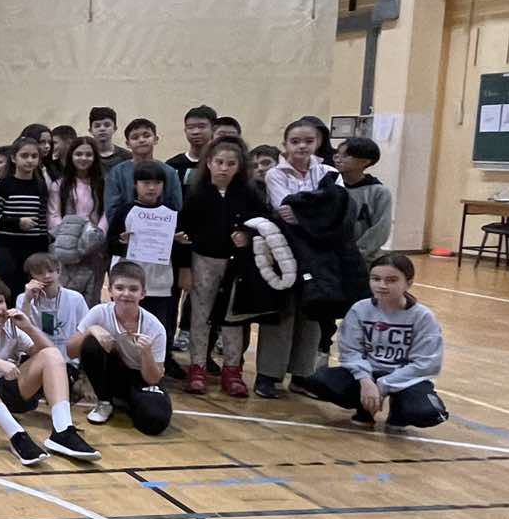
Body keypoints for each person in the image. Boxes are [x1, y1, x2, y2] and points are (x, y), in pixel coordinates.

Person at [0, 275, 98, 464]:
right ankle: (16, 434)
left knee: (51, 355)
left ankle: (63, 431)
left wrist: (29, 328)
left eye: (1, 301)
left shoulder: (10, 326)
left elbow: (53, 355)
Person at [292, 253, 448, 429]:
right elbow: (350, 352)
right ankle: (364, 408)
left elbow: (426, 364)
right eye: (376, 279)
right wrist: (365, 380)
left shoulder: (423, 317)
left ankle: (400, 412)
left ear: (409, 283)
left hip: (405, 378)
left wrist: (382, 385)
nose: (382, 285)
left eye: (391, 280)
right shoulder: (359, 310)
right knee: (317, 381)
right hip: (368, 374)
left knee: (429, 413)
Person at [255, 115, 338, 399]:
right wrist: (317, 210)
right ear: (285, 144)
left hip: (320, 251)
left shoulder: (330, 173)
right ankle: (268, 375)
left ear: (319, 142)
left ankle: (302, 375)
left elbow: (335, 209)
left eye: (308, 141)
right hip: (285, 250)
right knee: (282, 312)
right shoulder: (275, 174)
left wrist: (310, 211)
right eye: (295, 141)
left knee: (312, 312)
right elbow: (285, 210)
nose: (302, 146)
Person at [176, 137, 263, 396]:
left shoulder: (248, 193)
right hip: (203, 260)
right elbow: (183, 233)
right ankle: (197, 367)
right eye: (219, 162)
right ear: (209, 163)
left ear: (239, 166)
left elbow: (264, 222)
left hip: (236, 265)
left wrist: (248, 235)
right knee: (200, 315)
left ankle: (232, 370)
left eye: (230, 163)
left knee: (233, 317)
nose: (224, 168)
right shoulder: (196, 193)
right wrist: (185, 268)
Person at [68, 261, 173, 435]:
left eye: (133, 289)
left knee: (155, 420)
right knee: (91, 343)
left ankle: (127, 401)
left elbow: (153, 379)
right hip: (112, 372)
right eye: (119, 288)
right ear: (110, 290)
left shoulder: (154, 327)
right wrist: (91, 330)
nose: (126, 294)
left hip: (141, 377)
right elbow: (70, 351)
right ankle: (105, 401)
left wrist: (146, 353)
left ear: (143, 293)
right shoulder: (99, 312)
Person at [105, 161, 185, 348]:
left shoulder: (170, 213)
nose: (151, 187)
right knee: (125, 325)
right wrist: (121, 243)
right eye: (146, 183)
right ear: (135, 184)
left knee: (157, 326)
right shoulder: (125, 211)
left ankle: (160, 359)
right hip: (129, 282)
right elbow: (110, 244)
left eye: (157, 183)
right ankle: (123, 358)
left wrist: (177, 241)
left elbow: (178, 247)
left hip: (159, 281)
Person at [47, 136, 108, 301]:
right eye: (78, 154)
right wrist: (68, 239)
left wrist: (95, 237)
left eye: (88, 154)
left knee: (91, 295)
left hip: (94, 249)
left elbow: (106, 213)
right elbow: (53, 214)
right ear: (71, 156)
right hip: (65, 248)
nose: (83, 158)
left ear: (95, 157)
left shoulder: (103, 184)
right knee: (65, 296)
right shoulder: (59, 185)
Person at [0, 134, 50, 286]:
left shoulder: (41, 186)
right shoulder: (1, 186)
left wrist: (44, 250)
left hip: (34, 249)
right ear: (14, 158)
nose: (29, 160)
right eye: (24, 156)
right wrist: (17, 222)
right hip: (7, 250)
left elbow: (42, 222)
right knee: (8, 290)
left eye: (34, 156)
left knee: (35, 290)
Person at [16, 252, 90, 367]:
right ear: (31, 277)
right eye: (39, 273)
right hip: (37, 360)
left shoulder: (76, 298)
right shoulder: (23, 298)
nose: (47, 276)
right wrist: (27, 300)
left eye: (50, 271)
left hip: (68, 362)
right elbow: (22, 331)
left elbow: (85, 331)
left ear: (58, 272)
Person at [103, 118, 183, 211]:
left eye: (146, 136)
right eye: (135, 137)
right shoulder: (117, 173)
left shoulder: (169, 172)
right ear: (127, 143)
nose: (141, 140)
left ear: (156, 139)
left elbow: (176, 206)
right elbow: (111, 209)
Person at [336, 136, 394, 260]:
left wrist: (356, 253)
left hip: (364, 260)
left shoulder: (379, 192)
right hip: (331, 258)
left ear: (365, 162)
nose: (338, 159)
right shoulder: (330, 186)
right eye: (338, 154)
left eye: (346, 156)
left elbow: (380, 229)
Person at [166, 105, 217, 184]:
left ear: (213, 129)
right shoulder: (172, 165)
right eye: (190, 127)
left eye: (201, 127)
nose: (195, 132)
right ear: (185, 130)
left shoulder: (222, 164)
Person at [88, 107, 124, 172]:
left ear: (115, 128)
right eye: (97, 126)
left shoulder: (126, 157)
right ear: (90, 130)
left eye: (107, 125)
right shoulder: (85, 156)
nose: (102, 129)